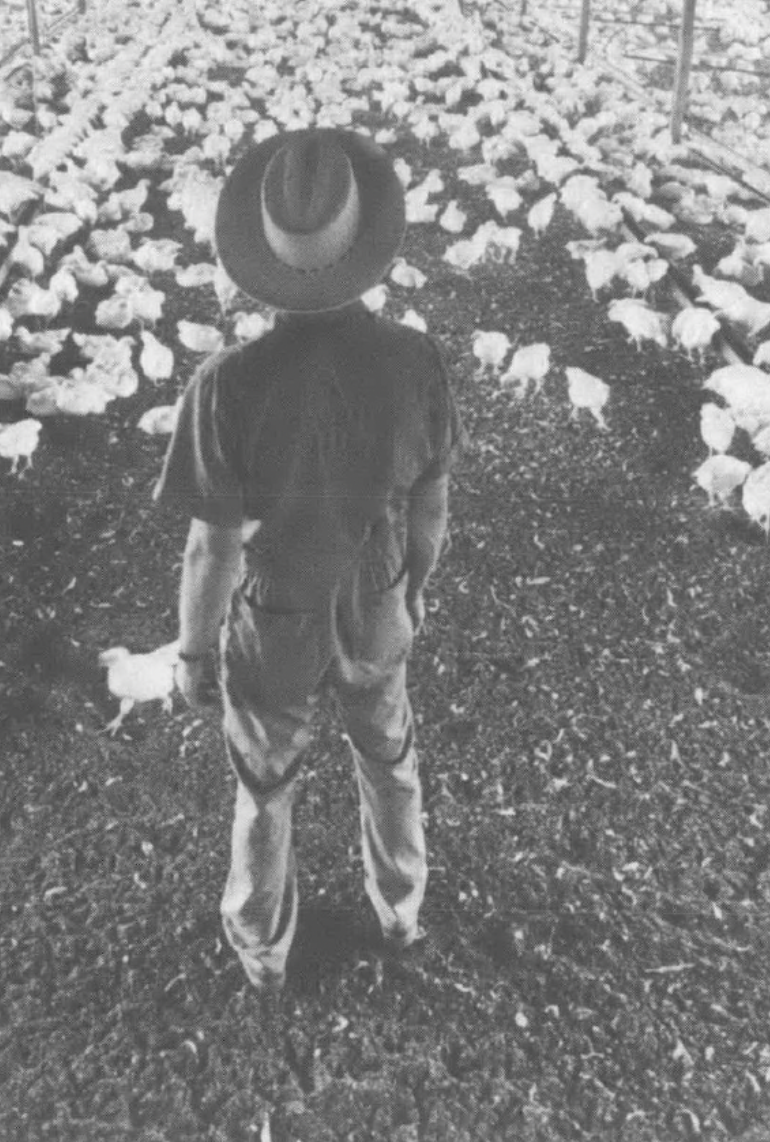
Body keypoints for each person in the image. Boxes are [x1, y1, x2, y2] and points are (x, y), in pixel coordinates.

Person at [153, 128, 461, 994]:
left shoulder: (226, 384)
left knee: (264, 782)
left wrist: (191, 651)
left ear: (263, 260)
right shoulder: (415, 362)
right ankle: (400, 909)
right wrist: (413, 588)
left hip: (277, 610)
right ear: (364, 249)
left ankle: (263, 947)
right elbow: (431, 505)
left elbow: (210, 544)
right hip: (374, 598)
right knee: (389, 758)